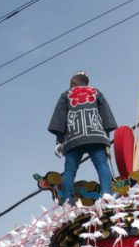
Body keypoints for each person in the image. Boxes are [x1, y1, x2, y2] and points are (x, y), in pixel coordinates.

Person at [48, 71, 116, 203]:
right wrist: (106, 140)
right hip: (96, 135)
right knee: (102, 164)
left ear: (73, 81)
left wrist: (59, 141)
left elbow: (60, 117)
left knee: (69, 170)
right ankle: (107, 194)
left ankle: (67, 202)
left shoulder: (66, 94)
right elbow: (106, 117)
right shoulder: (96, 92)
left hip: (73, 138)